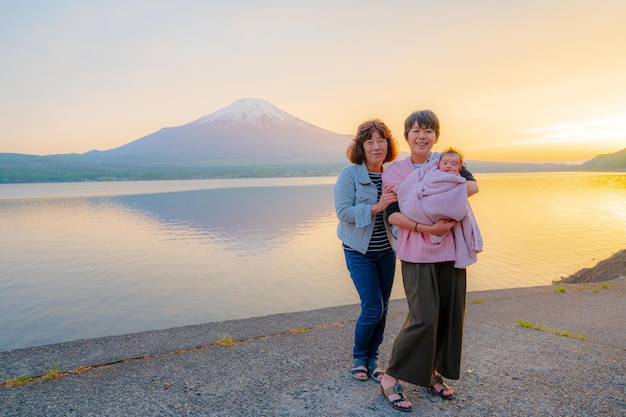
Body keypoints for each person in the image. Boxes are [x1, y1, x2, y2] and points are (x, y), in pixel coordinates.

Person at [379, 110, 479, 412]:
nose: (422, 136)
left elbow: (471, 186)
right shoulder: (396, 170)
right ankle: (390, 376)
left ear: (436, 135)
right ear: (406, 135)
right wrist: (429, 223)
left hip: (450, 250)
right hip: (416, 251)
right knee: (423, 315)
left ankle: (432, 372)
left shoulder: (446, 161)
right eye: (415, 130)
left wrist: (427, 199)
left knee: (448, 314)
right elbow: (394, 213)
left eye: (428, 131)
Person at [334, 119, 400, 383]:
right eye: (369, 141)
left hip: (387, 251)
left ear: (388, 144)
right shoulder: (349, 175)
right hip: (358, 251)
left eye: (381, 140)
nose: (376, 146)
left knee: (383, 307)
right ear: (361, 146)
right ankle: (359, 357)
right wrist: (377, 206)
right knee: (372, 307)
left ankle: (374, 359)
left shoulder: (392, 174)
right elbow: (343, 213)